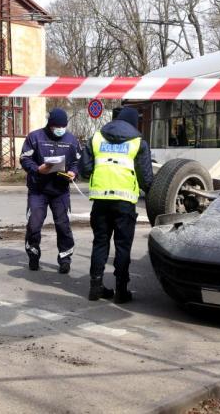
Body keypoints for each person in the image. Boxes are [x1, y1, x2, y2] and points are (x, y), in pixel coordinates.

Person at [81, 106, 153, 303]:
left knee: (100, 243)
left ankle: (95, 288)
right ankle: (121, 291)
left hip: (100, 202)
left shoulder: (96, 138)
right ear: (133, 124)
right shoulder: (138, 143)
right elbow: (147, 178)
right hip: (124, 203)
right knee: (123, 246)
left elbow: (85, 170)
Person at [19, 107, 81, 274]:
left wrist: (73, 173)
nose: (60, 129)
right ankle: (33, 254)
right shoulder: (35, 137)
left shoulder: (71, 140)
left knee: (63, 226)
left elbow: (77, 162)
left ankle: (65, 258)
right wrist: (37, 169)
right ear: (50, 125)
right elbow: (25, 158)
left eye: (63, 126)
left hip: (60, 190)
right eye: (57, 126)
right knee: (34, 224)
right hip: (38, 189)